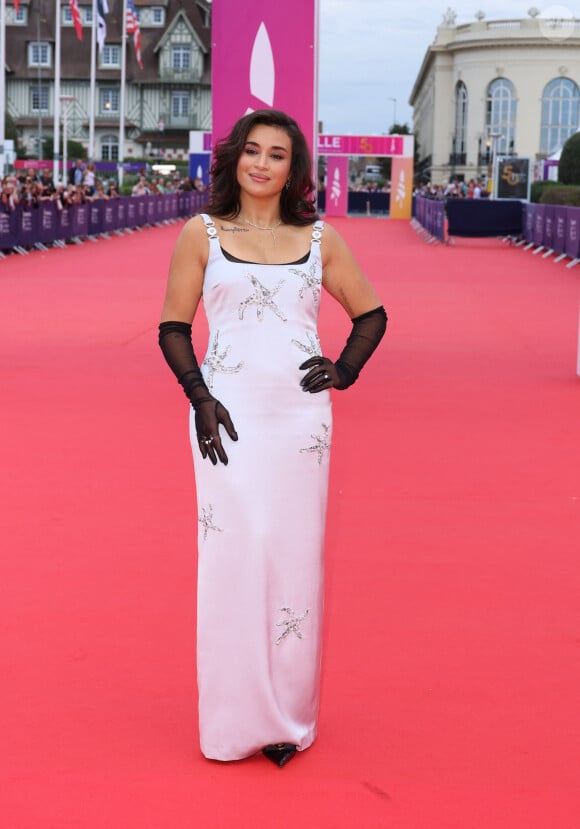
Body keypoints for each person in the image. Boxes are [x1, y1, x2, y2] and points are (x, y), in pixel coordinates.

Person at [158, 109, 387, 768]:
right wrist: (200, 397)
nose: (261, 163)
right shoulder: (199, 233)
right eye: (251, 151)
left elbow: (371, 312)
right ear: (234, 158)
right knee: (236, 557)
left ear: (295, 170)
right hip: (226, 418)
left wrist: (342, 369)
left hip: (299, 421)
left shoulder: (322, 239)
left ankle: (287, 717)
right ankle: (232, 719)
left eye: (277, 155)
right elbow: (174, 325)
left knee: (293, 560)